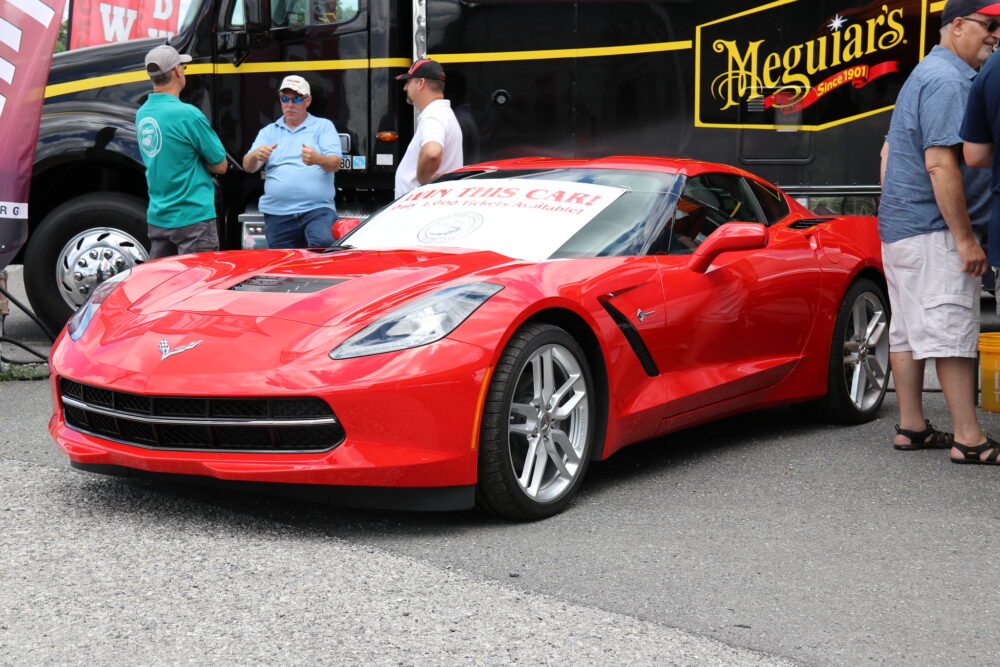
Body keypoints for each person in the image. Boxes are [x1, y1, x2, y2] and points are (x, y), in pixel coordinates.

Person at [878, 0, 1000, 464]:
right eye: (988, 25)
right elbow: (940, 162)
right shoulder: (951, 81)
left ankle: (911, 426)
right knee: (951, 331)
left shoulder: (925, 72)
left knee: (908, 331)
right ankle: (969, 439)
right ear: (958, 26)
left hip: (903, 227)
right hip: (935, 230)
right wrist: (965, 238)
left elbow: (889, 153)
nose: (995, 34)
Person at [136, 44, 228, 259]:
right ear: (177, 71)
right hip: (193, 217)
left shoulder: (143, 114)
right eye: (183, 67)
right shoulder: (188, 114)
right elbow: (221, 165)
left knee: (164, 286)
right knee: (197, 287)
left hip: (159, 217)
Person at [243, 75, 342, 249]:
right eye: (284, 99)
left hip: (316, 209)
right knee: (283, 266)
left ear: (308, 101)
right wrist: (255, 155)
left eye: (296, 99)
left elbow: (335, 163)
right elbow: (248, 167)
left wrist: (317, 159)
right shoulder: (268, 131)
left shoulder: (323, 126)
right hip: (277, 212)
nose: (289, 104)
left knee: (324, 244)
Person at [394, 59, 463, 198]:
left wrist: (423, 181)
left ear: (421, 83)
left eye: (408, 82)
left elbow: (432, 152)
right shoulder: (443, 113)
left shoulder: (433, 115)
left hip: (419, 208)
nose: (405, 88)